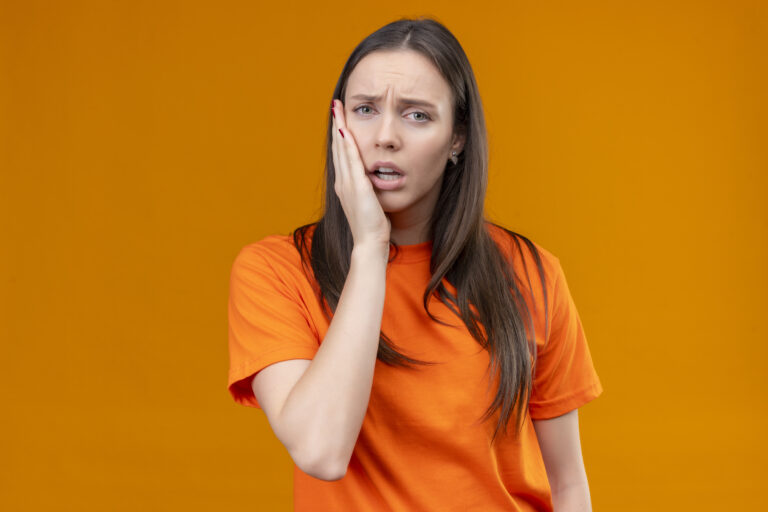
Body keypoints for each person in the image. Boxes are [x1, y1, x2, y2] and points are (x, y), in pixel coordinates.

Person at [227, 17, 603, 511]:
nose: (385, 136)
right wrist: (369, 249)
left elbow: (568, 485)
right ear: (338, 125)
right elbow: (320, 450)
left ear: (457, 139)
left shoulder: (531, 273)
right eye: (365, 109)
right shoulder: (276, 271)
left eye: (417, 115)